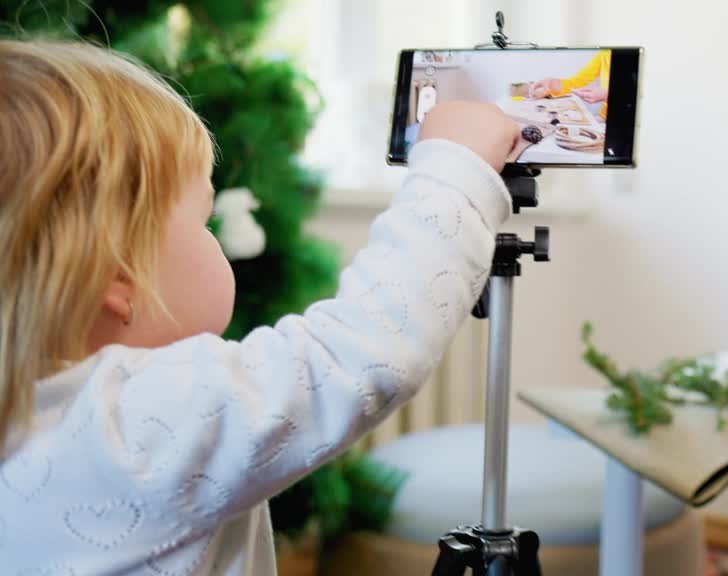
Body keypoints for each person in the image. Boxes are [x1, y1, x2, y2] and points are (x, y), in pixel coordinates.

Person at [0, 39, 521, 573]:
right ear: (118, 272)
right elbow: (360, 354)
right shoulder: (131, 422)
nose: (217, 237)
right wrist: (454, 170)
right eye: (205, 220)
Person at [530, 49, 611, 120]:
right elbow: (575, 82)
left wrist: (607, 95)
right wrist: (551, 83)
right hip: (603, 117)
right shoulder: (604, 53)